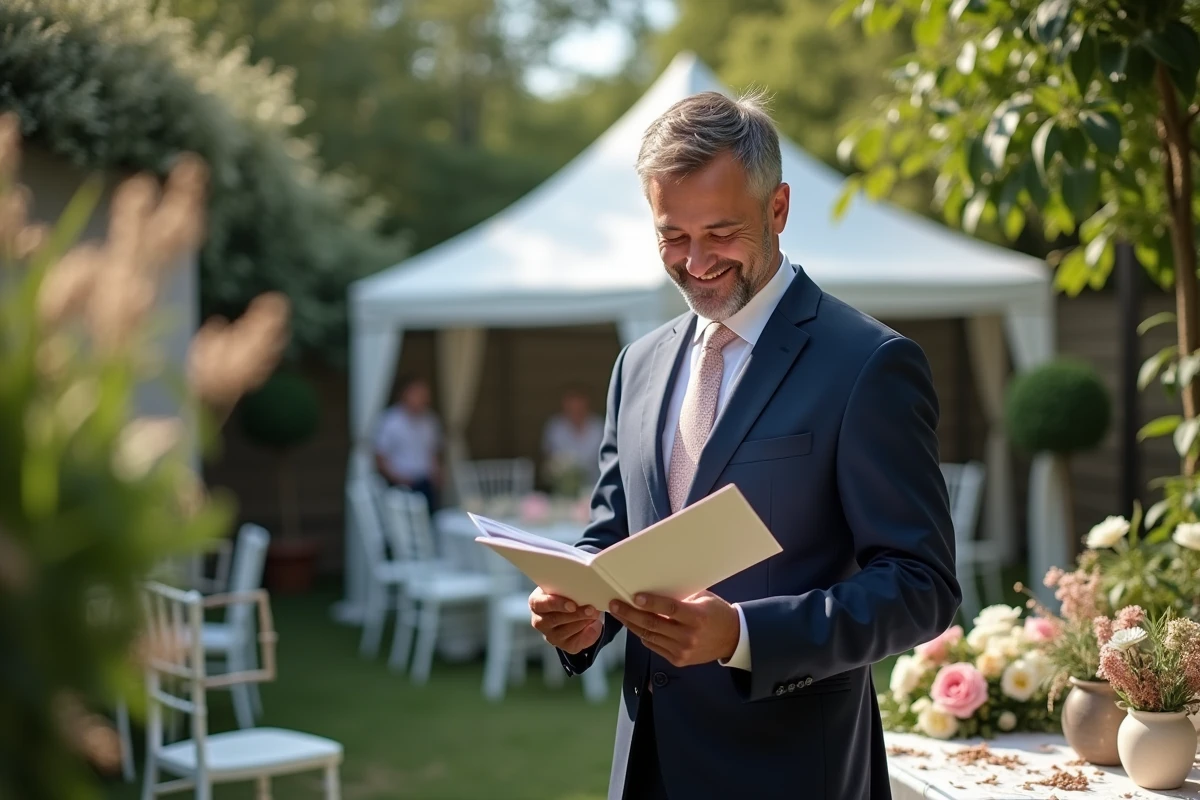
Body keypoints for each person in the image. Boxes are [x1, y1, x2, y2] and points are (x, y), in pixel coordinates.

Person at [528, 90, 960, 800]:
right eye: (672, 235)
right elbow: (609, 539)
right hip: (648, 767)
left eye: (720, 232)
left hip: (794, 772)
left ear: (779, 209)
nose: (695, 262)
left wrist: (741, 635)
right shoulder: (636, 364)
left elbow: (921, 588)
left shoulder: (868, 363)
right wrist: (581, 613)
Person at [373, 375, 442, 511]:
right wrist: (397, 479)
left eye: (424, 395)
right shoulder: (390, 421)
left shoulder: (430, 421)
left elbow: (433, 452)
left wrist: (437, 474)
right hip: (399, 484)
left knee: (428, 520)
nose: (422, 399)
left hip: (426, 482)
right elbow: (380, 456)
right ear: (405, 394)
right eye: (417, 394)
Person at [541, 387, 605, 490]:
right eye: (571, 407)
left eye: (579, 407)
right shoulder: (555, 427)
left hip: (595, 487)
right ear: (564, 406)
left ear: (587, 405)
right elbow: (548, 458)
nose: (575, 411)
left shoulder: (599, 427)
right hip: (562, 488)